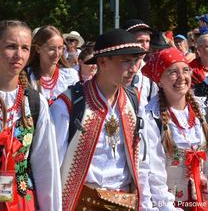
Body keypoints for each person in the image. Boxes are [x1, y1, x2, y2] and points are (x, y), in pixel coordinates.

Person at [50, 28, 147, 210]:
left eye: (135, 61)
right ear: (102, 62)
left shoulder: (132, 101)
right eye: (126, 61)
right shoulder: (69, 105)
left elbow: (142, 162)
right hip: (85, 203)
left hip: (126, 202)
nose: (134, 68)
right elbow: (51, 167)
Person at [139, 47, 208, 210]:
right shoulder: (152, 118)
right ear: (159, 80)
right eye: (172, 72)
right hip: (169, 204)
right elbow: (154, 173)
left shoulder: (204, 112)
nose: (181, 77)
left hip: (202, 201)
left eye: (185, 70)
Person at [0, 20, 61, 210]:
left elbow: (46, 167)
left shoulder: (34, 102)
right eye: (11, 46)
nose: (18, 55)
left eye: (25, 48)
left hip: (21, 201)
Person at [26, 25, 79, 106]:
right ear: (38, 49)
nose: (57, 54)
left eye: (60, 48)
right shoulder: (27, 76)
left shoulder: (70, 75)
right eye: (51, 49)